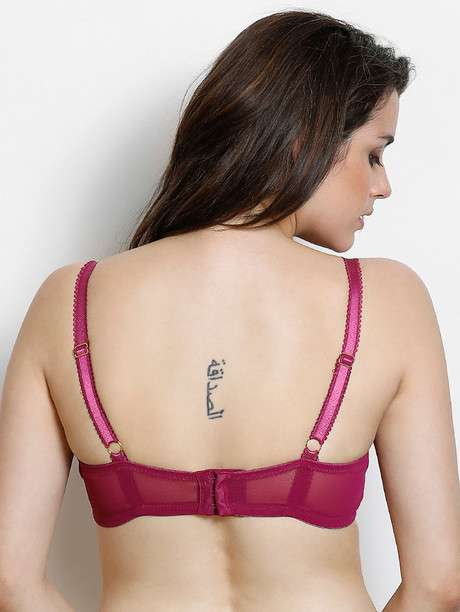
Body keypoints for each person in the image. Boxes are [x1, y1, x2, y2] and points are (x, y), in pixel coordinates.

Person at [1, 9, 459, 612]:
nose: (383, 185)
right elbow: (438, 585)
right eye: (374, 154)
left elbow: (10, 580)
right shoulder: (388, 301)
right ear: (304, 141)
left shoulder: (69, 301)